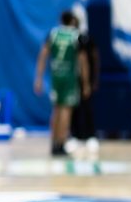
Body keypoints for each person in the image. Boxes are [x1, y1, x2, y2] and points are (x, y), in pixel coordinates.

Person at [34, 10, 90, 156]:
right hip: (69, 77)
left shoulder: (53, 34)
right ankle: (61, 143)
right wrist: (86, 83)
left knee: (56, 110)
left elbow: (43, 55)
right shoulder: (76, 36)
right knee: (66, 110)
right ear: (72, 21)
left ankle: (54, 143)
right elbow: (83, 61)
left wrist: (39, 78)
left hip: (56, 76)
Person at [68, 13, 100, 157]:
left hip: (84, 80)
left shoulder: (85, 39)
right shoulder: (67, 40)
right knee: (73, 108)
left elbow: (90, 59)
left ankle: (90, 135)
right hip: (71, 80)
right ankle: (75, 135)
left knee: (87, 107)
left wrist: (90, 81)